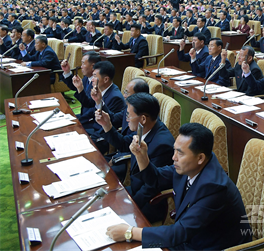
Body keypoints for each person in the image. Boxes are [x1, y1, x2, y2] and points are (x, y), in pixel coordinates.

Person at [106, 123, 252, 250]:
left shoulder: (214, 187)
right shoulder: (191, 166)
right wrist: (141, 155)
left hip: (210, 246)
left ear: (200, 157)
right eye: (174, 150)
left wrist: (130, 232)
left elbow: (179, 232)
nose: (173, 157)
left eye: (179, 153)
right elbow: (155, 179)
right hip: (189, 238)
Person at [95, 92, 175, 222]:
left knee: (108, 217)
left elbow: (151, 186)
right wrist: (106, 124)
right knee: (101, 199)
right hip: (135, 191)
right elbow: (123, 143)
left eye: (128, 115)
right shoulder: (145, 129)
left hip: (148, 204)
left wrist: (128, 203)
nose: (126, 119)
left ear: (143, 119)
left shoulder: (162, 144)